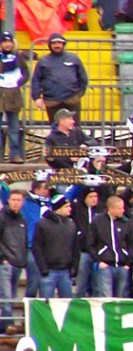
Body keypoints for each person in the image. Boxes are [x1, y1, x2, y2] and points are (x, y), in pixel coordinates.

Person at [30, 33, 89, 125]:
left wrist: (79, 94)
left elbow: (83, 77)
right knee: (55, 127)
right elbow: (36, 80)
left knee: (75, 128)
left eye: (59, 43)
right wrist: (36, 97)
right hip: (52, 101)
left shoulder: (73, 58)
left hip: (72, 99)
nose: (57, 45)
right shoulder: (43, 61)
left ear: (63, 44)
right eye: (54, 43)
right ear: (50, 45)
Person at [89, 195, 133, 298]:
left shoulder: (126, 222)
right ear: (111, 209)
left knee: (120, 297)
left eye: (123, 208)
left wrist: (128, 262)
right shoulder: (97, 221)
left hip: (122, 266)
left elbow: (131, 243)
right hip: (105, 265)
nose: (123, 210)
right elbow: (90, 243)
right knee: (106, 297)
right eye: (119, 208)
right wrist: (98, 261)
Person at [32, 194, 76, 298]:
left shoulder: (71, 224)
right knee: (46, 303)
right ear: (58, 208)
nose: (70, 209)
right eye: (66, 206)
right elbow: (37, 248)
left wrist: (74, 268)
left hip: (66, 271)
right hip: (49, 271)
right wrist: (43, 269)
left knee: (66, 303)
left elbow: (75, 248)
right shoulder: (42, 224)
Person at [0, 30, 29, 164]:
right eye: (5, 42)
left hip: (14, 96)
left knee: (14, 128)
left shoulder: (18, 57)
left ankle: (15, 155)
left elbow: (26, 73)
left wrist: (17, 82)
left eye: (9, 41)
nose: (8, 44)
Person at [0, 190, 27, 334]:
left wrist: (23, 260)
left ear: (22, 202)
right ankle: (8, 324)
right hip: (5, 263)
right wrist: (2, 258)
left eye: (19, 200)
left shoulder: (22, 220)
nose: (16, 202)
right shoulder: (2, 218)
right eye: (13, 199)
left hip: (18, 263)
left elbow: (23, 241)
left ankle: (4, 326)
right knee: (6, 296)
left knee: (12, 294)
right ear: (8, 201)